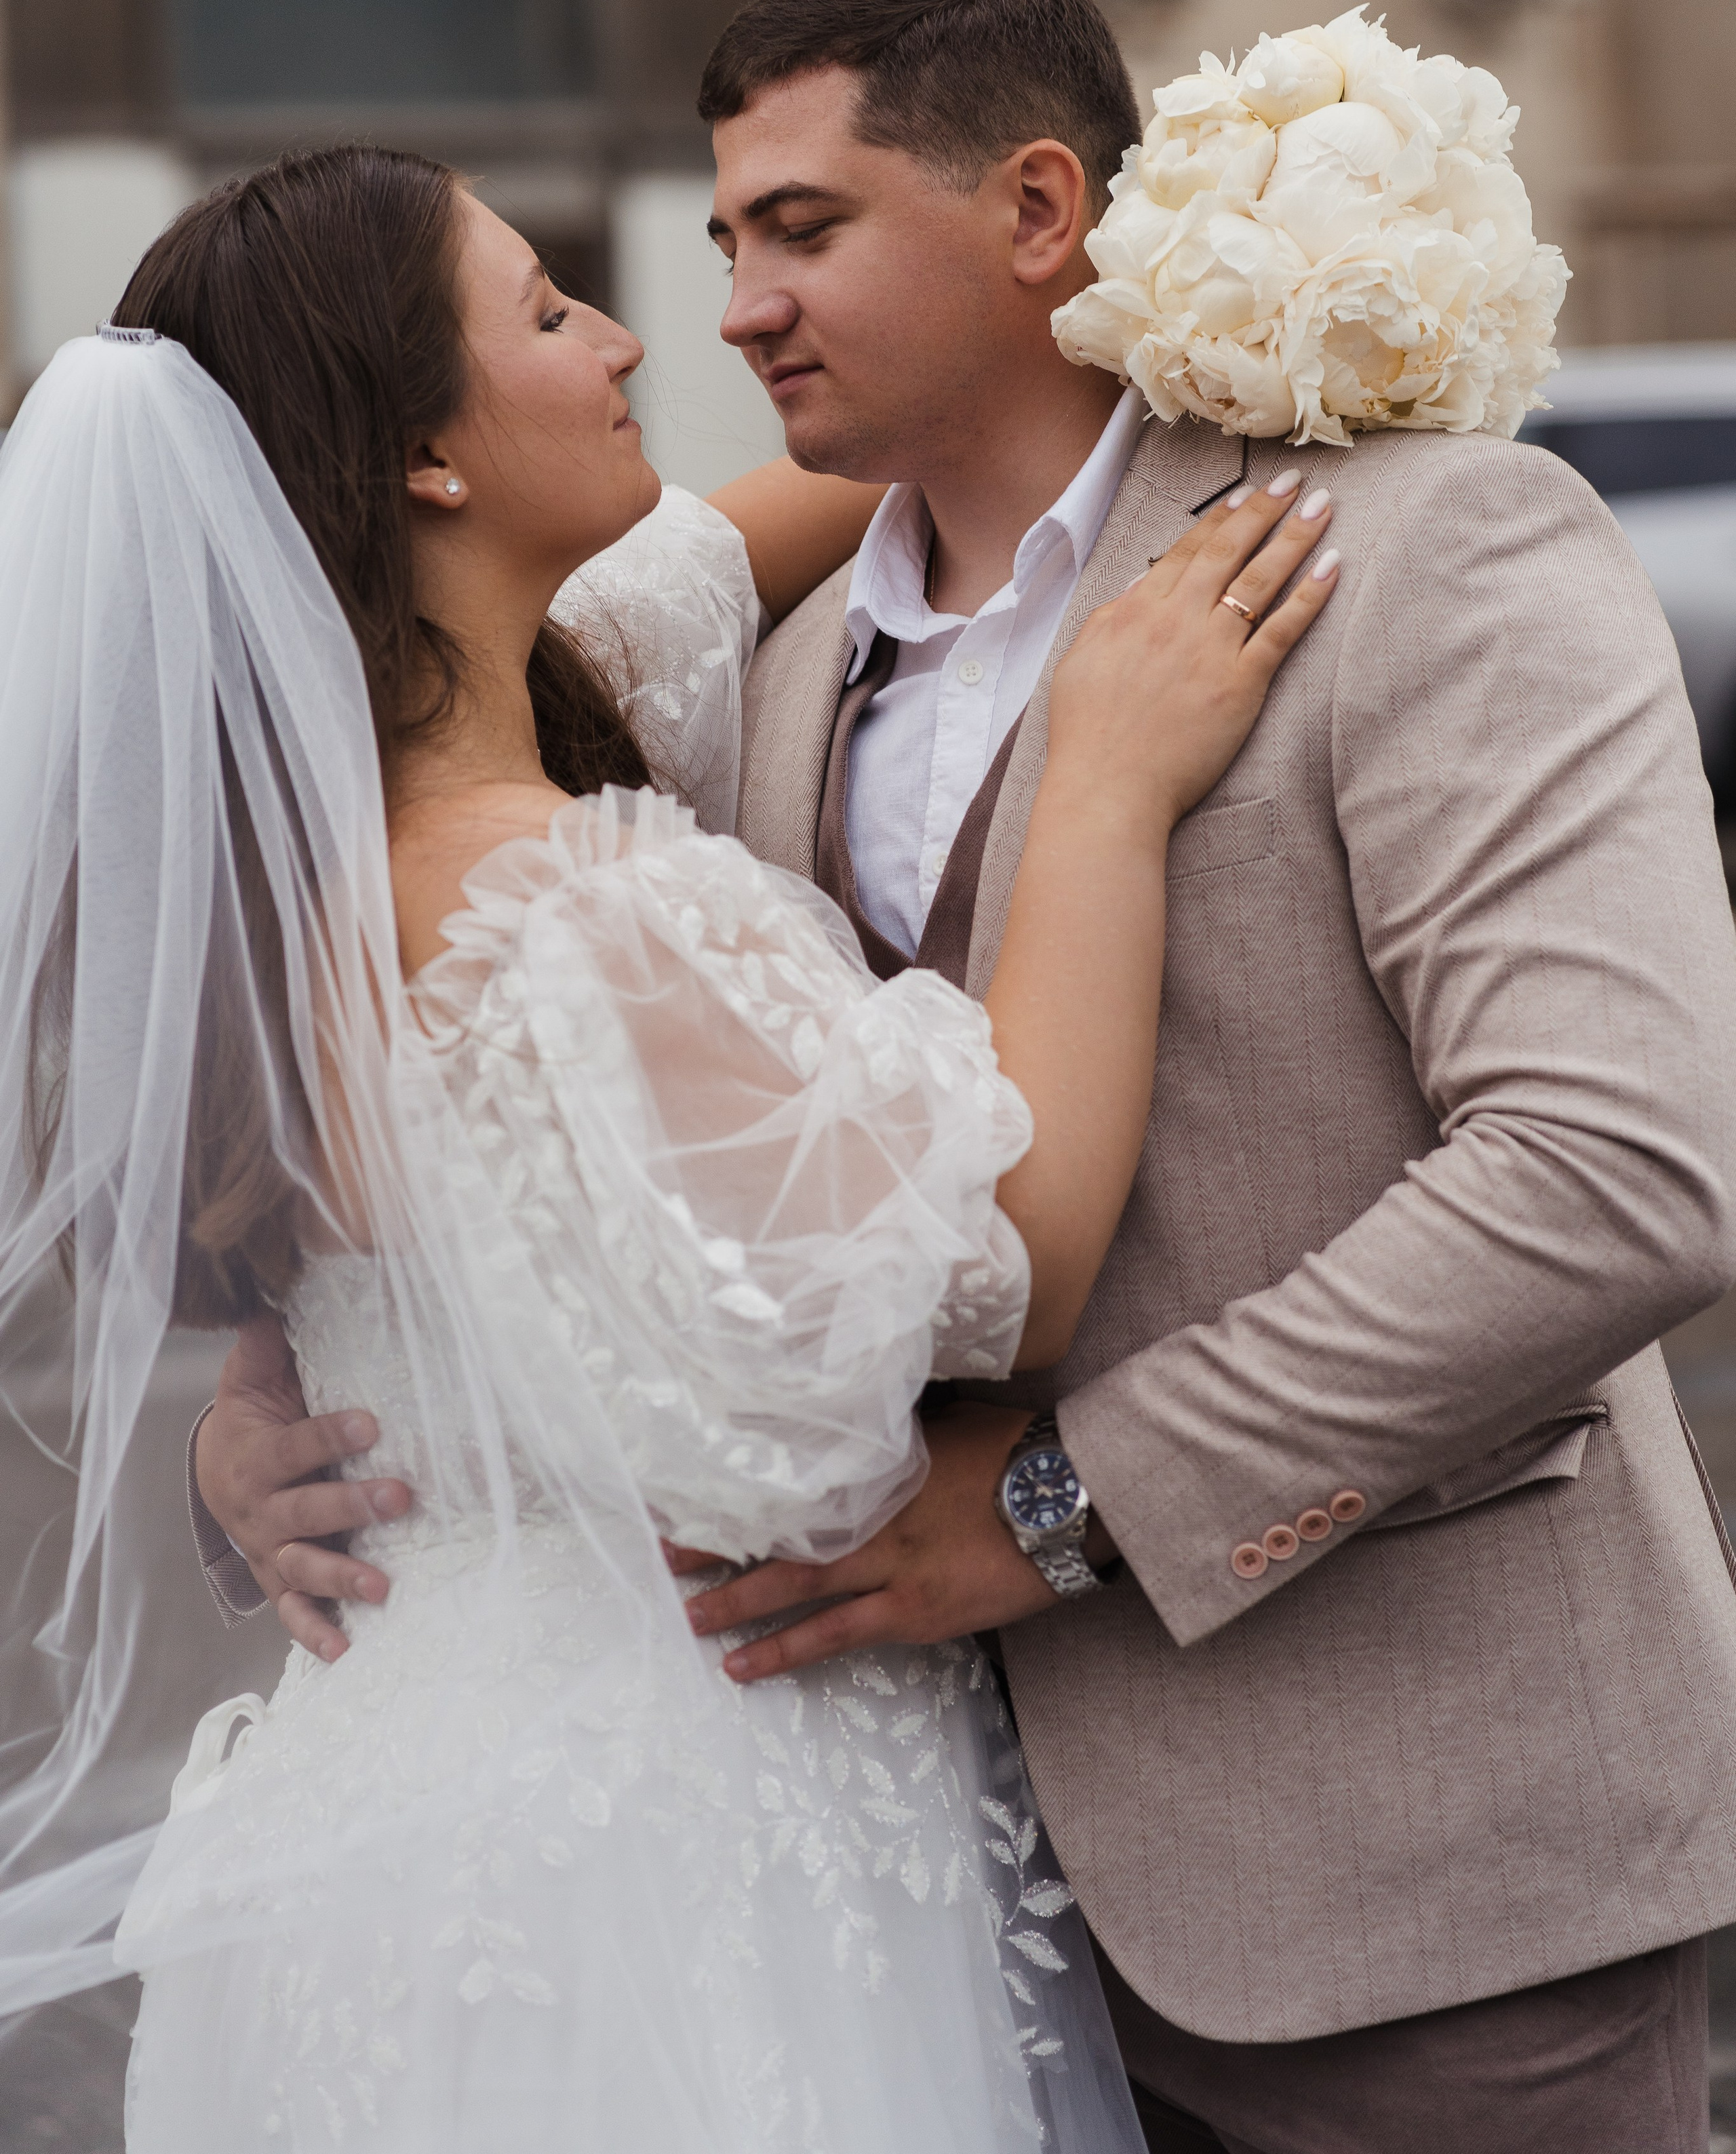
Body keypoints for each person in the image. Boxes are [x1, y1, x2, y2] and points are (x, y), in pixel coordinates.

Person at [205, 0, 1736, 2154]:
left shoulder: (1427, 554)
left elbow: (1621, 1173)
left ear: (1038, 212)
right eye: (721, 245)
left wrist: (1061, 1505)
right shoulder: (714, 687)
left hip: (1412, 1880)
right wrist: (270, 1403)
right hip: (902, 1930)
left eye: (801, 229)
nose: (723, 313)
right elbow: (484, 1115)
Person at [0, 142, 1335, 2151]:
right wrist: (1107, 782)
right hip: (665, 1849)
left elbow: (808, 494)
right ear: (424, 463)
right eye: (547, 312)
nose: (630, 338)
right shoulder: (572, 909)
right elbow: (1016, 1257)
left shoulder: (278, 861)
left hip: (375, 1828)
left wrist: (1173, 284)